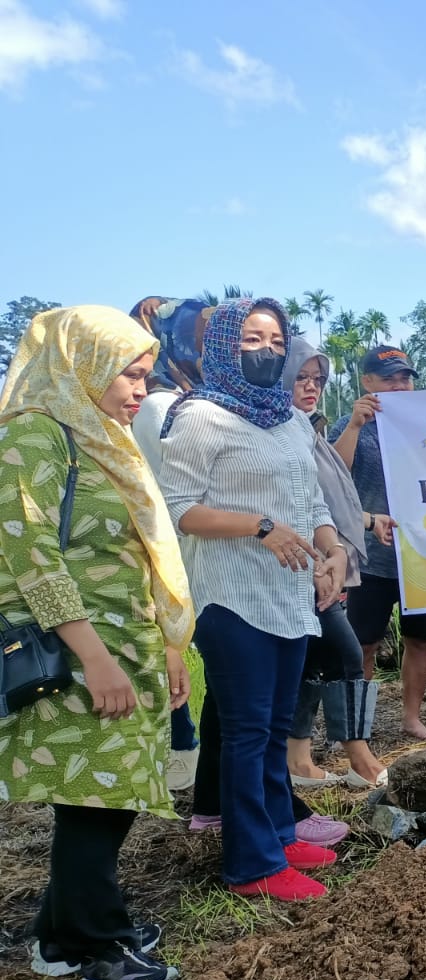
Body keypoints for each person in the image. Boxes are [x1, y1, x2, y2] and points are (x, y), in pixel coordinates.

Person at [0, 306, 193, 980]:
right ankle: (98, 946)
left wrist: (168, 646)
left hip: (126, 643)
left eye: (146, 375)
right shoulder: (33, 433)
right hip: (80, 650)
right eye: (128, 374)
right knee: (95, 799)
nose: (141, 389)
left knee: (109, 794)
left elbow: (137, 553)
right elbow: (29, 553)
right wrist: (95, 657)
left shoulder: (100, 437)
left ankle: (58, 935)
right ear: (80, 364)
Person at [161, 298, 348, 902]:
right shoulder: (200, 417)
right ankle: (252, 866)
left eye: (276, 341)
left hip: (289, 595)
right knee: (245, 734)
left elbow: (312, 503)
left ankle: (279, 835)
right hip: (232, 597)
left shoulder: (289, 419)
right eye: (252, 338)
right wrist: (260, 527)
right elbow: (178, 509)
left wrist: (332, 550)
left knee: (272, 730)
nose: (267, 350)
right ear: (222, 344)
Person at [329, 344, 426, 741]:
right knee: (363, 645)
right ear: (367, 382)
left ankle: (411, 718)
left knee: (420, 640)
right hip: (371, 557)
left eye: (405, 379)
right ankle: (357, 730)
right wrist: (354, 425)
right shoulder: (350, 425)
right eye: (389, 379)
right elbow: (331, 475)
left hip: (425, 554)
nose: (399, 386)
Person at [283, 336, 390, 790]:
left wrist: (366, 521)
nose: (311, 387)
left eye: (318, 379)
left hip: (322, 560)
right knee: (345, 654)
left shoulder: (303, 429)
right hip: (298, 564)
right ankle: (358, 756)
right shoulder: (279, 434)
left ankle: (298, 760)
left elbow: (327, 498)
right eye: (301, 377)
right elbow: (304, 503)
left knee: (312, 658)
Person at [128, 296, 211, 791]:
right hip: (176, 546)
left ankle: (184, 747)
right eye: (195, 340)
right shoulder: (161, 405)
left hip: (176, 543)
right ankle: (183, 748)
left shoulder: (175, 399)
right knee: (179, 650)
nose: (204, 351)